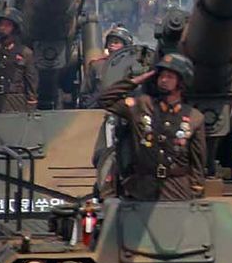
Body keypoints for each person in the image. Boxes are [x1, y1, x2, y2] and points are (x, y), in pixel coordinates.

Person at [97, 53, 207, 201]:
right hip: (142, 189)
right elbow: (106, 99)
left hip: (176, 190)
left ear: (181, 82)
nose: (163, 80)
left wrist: (195, 191)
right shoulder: (142, 106)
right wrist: (137, 80)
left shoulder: (194, 117)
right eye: (161, 76)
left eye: (170, 76)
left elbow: (197, 162)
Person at [0, 9, 38, 113]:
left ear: (15, 29)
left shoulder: (25, 53)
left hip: (16, 103)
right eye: (1, 25)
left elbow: (31, 82)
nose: (3, 28)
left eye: (7, 25)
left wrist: (31, 105)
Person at [80, 25, 135, 106]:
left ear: (126, 46)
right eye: (110, 42)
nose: (112, 45)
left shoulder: (134, 66)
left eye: (116, 42)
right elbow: (86, 93)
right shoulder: (97, 65)